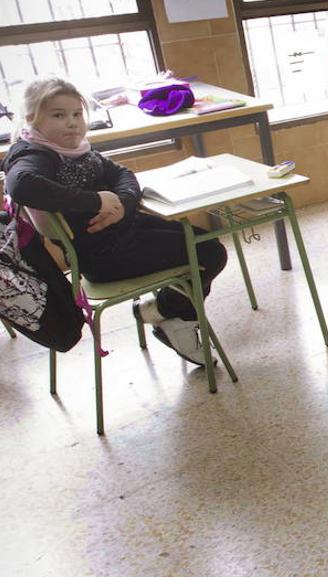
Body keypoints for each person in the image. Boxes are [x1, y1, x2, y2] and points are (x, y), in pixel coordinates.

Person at [2, 76, 227, 364]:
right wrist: (96, 200)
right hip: (104, 257)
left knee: (204, 241)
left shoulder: (77, 149)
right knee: (210, 253)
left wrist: (122, 203)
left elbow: (123, 174)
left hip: (127, 233)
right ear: (33, 119)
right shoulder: (34, 154)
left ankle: (164, 313)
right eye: (58, 115)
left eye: (76, 114)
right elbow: (20, 185)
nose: (72, 123)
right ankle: (168, 315)